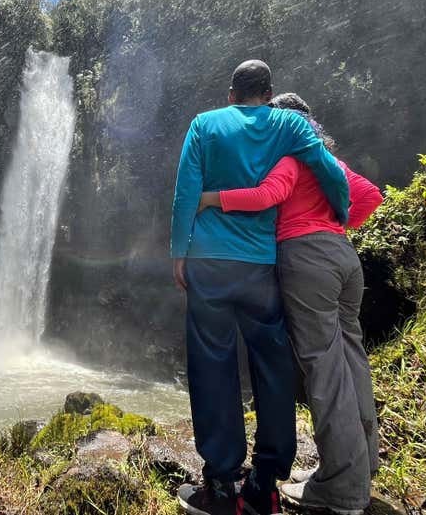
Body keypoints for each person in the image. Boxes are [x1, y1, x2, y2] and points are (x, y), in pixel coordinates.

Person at [171, 62, 350, 515]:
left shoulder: (204, 124)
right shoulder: (289, 124)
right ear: (269, 94)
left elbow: (186, 191)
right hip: (261, 265)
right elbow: (329, 170)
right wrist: (341, 211)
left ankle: (221, 486)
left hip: (209, 261)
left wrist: (179, 252)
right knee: (272, 366)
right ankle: (265, 483)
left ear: (231, 93)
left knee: (212, 365)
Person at [198, 93, 383, 515]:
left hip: (307, 261)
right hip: (343, 258)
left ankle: (343, 489)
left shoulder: (291, 157)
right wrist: (335, 224)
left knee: (324, 369)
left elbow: (267, 195)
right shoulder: (328, 161)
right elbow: (370, 195)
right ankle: (361, 465)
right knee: (351, 359)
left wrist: (212, 199)